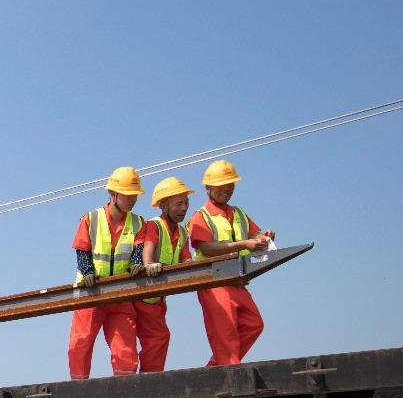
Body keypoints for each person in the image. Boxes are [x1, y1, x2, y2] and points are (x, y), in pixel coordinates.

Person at [186, 160, 275, 366]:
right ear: (208, 188)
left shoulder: (239, 213)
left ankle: (217, 366)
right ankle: (229, 371)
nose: (226, 189)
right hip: (214, 281)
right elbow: (205, 248)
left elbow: (255, 233)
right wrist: (243, 244)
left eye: (230, 184)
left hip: (237, 279)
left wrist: (264, 236)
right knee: (225, 333)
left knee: (254, 324)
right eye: (221, 185)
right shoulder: (201, 216)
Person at [68, 166, 146, 379]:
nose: (133, 200)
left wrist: (137, 264)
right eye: (128, 195)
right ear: (113, 194)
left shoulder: (138, 223)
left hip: (120, 293)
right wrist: (87, 272)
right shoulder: (91, 219)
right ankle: (78, 389)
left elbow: (138, 252)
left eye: (135, 195)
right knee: (80, 343)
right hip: (90, 293)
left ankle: (126, 391)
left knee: (125, 349)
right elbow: (82, 250)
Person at [133, 177, 194, 372]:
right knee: (158, 338)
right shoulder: (154, 225)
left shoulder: (183, 233)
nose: (184, 208)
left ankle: (150, 377)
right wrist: (149, 264)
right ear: (163, 205)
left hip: (158, 298)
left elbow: (186, 260)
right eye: (179, 204)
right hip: (145, 297)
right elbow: (148, 247)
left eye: (186, 203)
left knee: (158, 339)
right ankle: (149, 379)